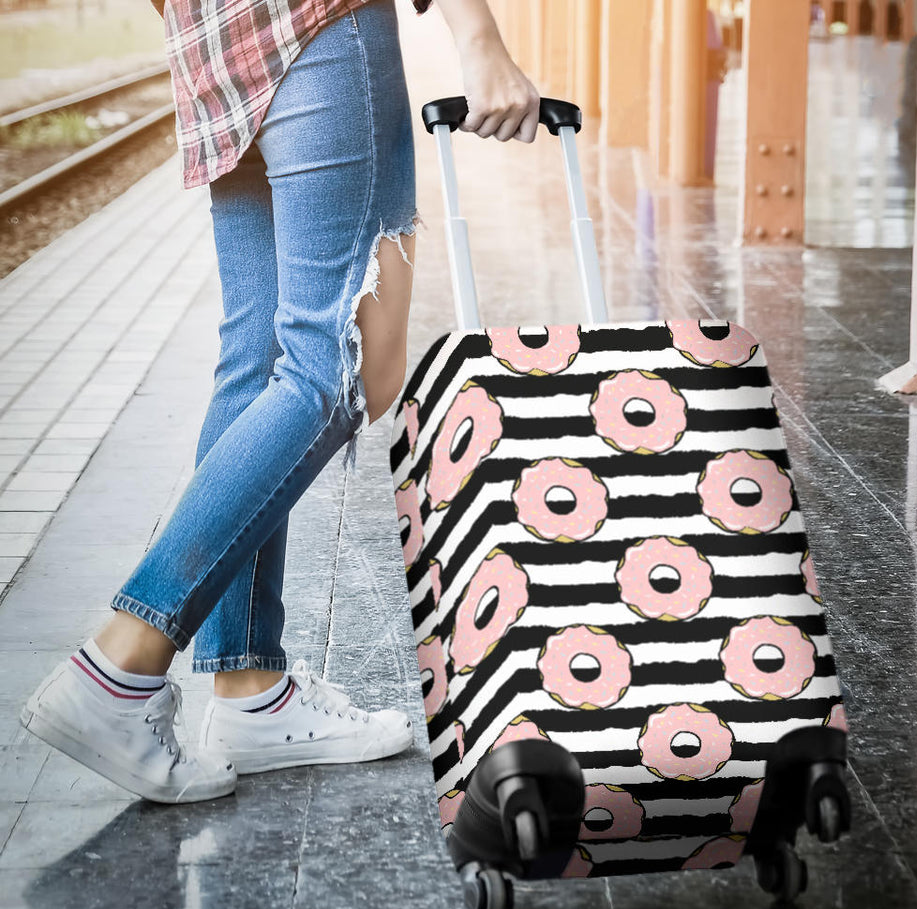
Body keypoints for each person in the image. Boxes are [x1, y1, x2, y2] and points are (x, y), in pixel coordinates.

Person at [20, 0, 540, 803]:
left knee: (258, 361)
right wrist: (480, 41)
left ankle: (248, 690)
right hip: (320, 25)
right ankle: (119, 666)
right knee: (336, 366)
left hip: (214, 47)